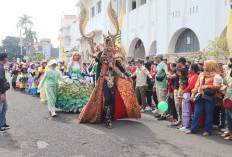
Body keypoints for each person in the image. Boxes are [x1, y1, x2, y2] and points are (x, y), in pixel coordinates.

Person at [187, 60, 222, 136]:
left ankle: (207, 130)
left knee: (209, 114)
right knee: (196, 112)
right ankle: (193, 129)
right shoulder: (201, 74)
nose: (203, 66)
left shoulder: (216, 76)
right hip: (201, 96)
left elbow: (218, 87)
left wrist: (208, 86)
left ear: (210, 66)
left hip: (211, 97)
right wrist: (193, 93)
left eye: (205, 65)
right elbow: (197, 85)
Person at [154, 54, 168, 120]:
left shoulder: (163, 64)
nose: (155, 59)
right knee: (159, 100)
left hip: (162, 85)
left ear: (159, 58)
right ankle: (160, 113)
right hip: (158, 84)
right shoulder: (158, 65)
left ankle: (163, 115)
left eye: (156, 58)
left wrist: (167, 73)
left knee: (162, 100)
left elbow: (166, 70)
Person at [0, 53, 10, 133]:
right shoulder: (0, 68)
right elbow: (0, 81)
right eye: (6, 58)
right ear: (4, 58)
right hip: (1, 92)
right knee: (0, 108)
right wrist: (2, 93)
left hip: (2, 91)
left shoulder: (1, 67)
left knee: (4, 107)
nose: (7, 59)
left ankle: (2, 123)